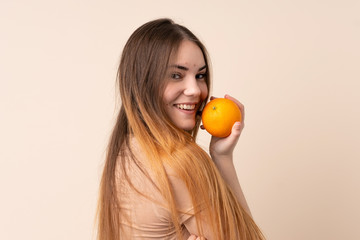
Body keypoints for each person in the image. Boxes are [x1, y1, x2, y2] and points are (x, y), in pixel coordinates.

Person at [97, 18, 265, 240]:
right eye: (176, 75)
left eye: (200, 75)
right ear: (143, 83)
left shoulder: (126, 151)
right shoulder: (180, 161)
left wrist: (221, 154)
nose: (195, 90)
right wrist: (223, 160)